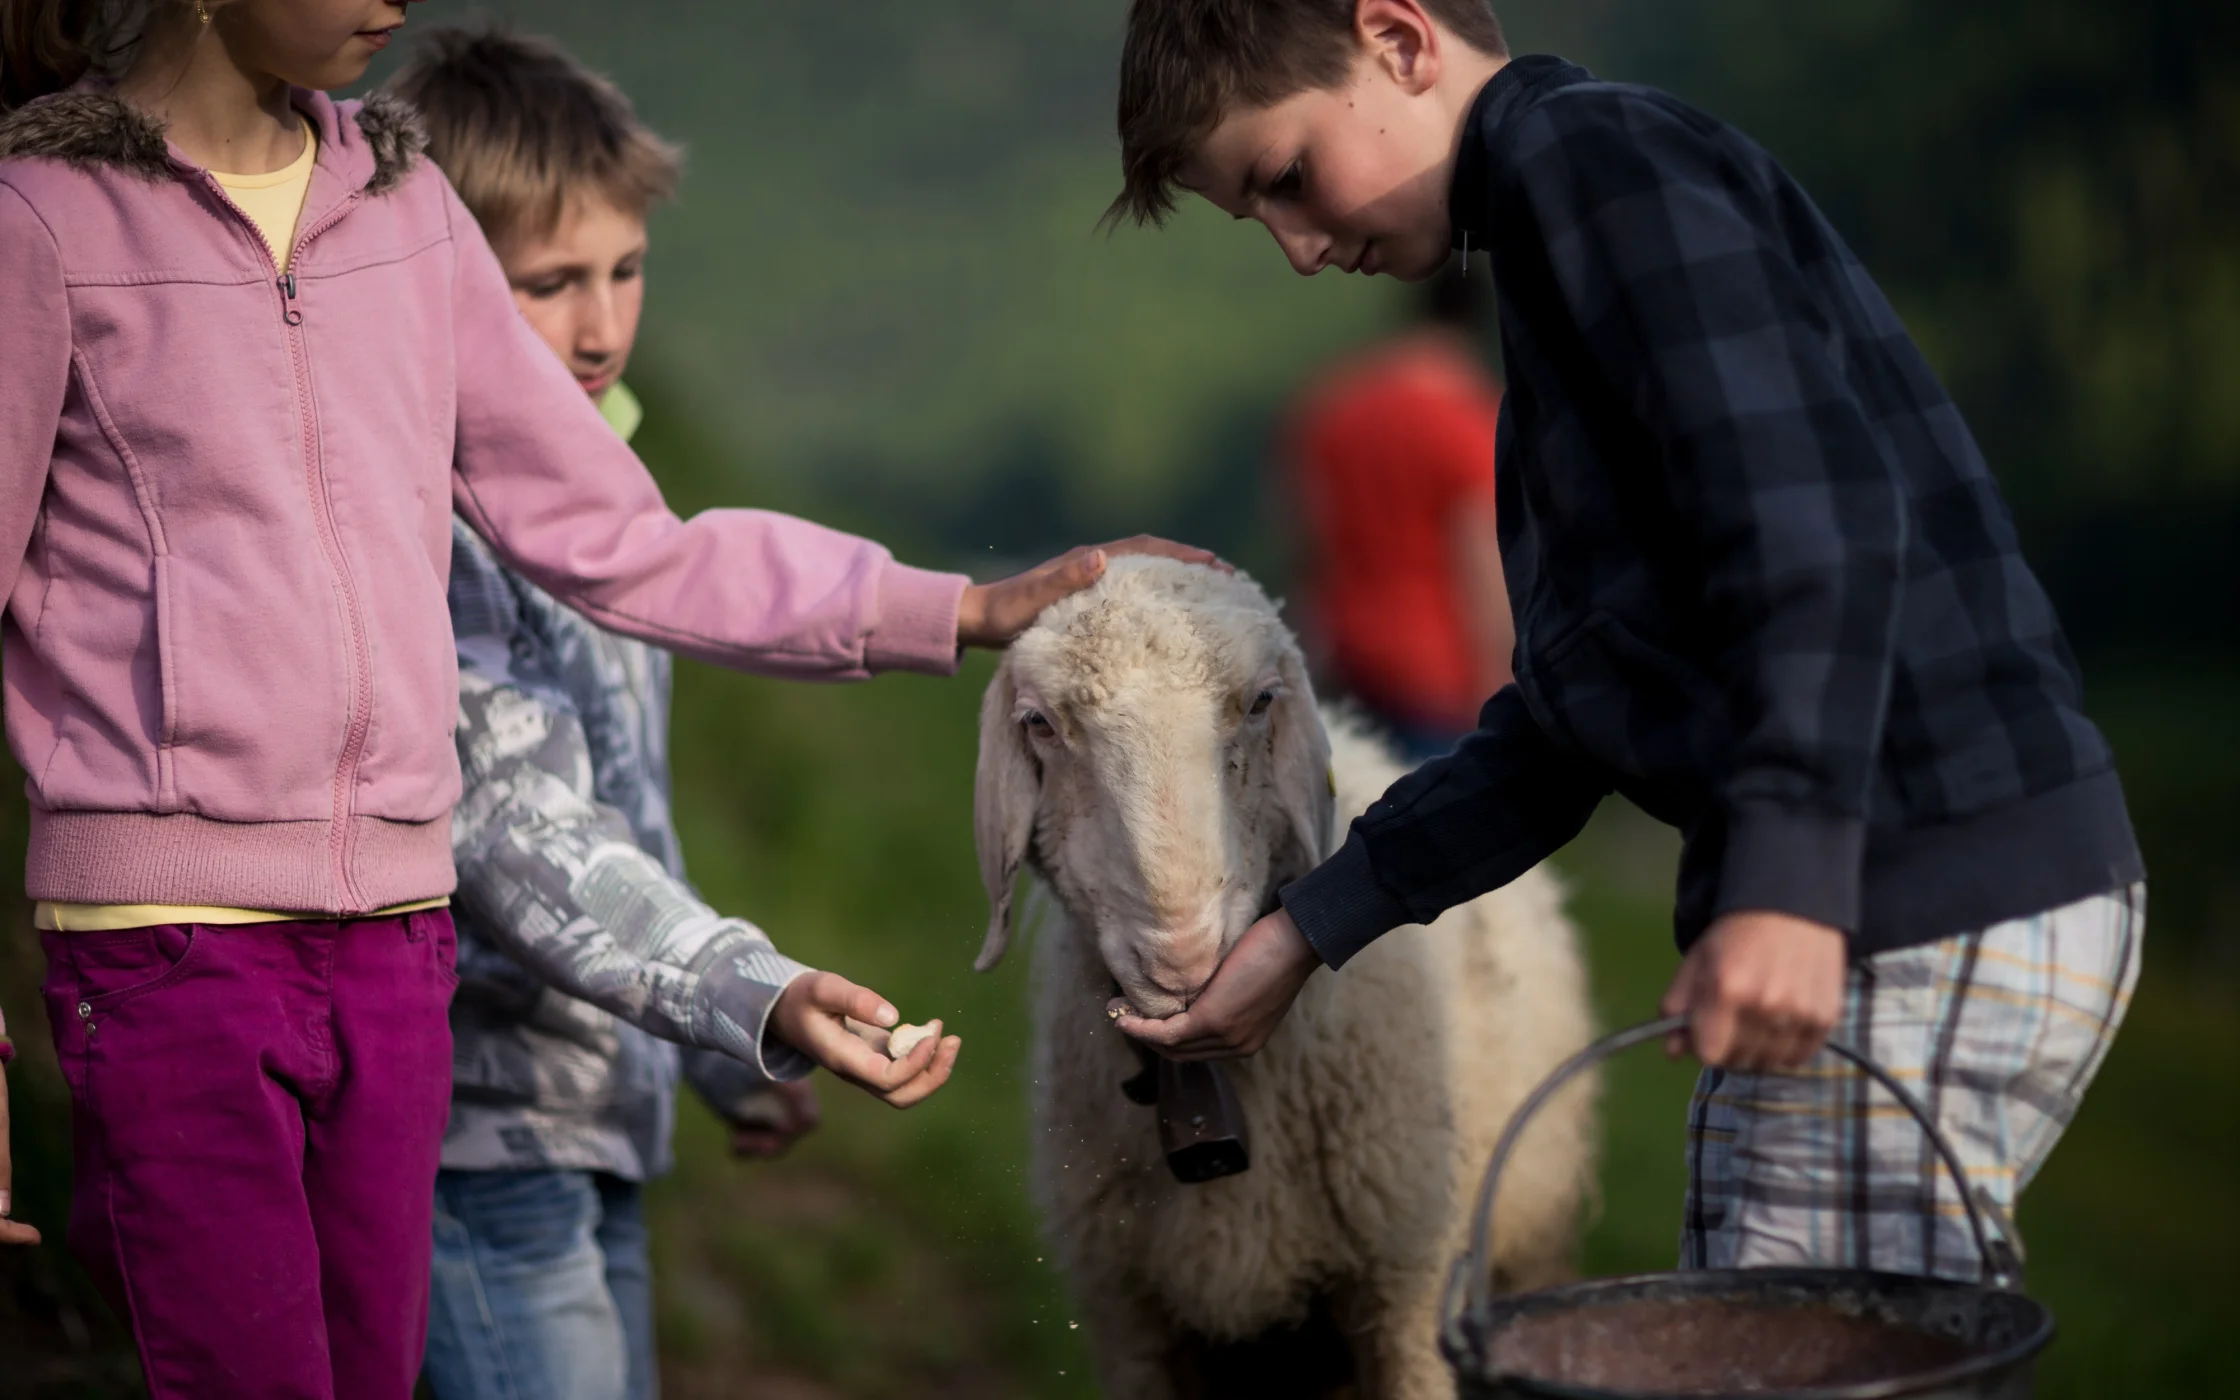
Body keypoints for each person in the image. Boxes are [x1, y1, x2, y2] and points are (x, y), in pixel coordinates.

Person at [0, 3, 1210, 1396]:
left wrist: (961, 610)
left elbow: (631, 546)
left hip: (398, 953)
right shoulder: (43, 228)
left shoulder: (408, 214)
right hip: (170, 951)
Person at [1104, 0, 2144, 1283]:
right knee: (1793, 1320)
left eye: (1289, 178)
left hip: (1916, 873)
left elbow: (1808, 519)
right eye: (1256, 217)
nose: (1299, 250)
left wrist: (1786, 876)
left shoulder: (1591, 164)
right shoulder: (1553, 261)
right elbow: (1565, 721)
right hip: (1885, 881)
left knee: (1783, 1350)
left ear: (1397, 41)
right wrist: (1303, 929)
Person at [382, 29, 909, 1400]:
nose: (604, 324)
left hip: (592, 1118)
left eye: (624, 272)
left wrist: (722, 1052)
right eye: (547, 286)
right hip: (480, 1138)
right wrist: (753, 997)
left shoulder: (613, 489)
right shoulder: (420, 527)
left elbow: (626, 818)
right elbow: (519, 834)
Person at [1286, 266, 1510, 760]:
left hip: (1347, 666)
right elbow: (1482, 563)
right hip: (1440, 679)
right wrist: (1500, 690)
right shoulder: (1468, 421)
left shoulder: (1332, 408)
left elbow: (1307, 541)